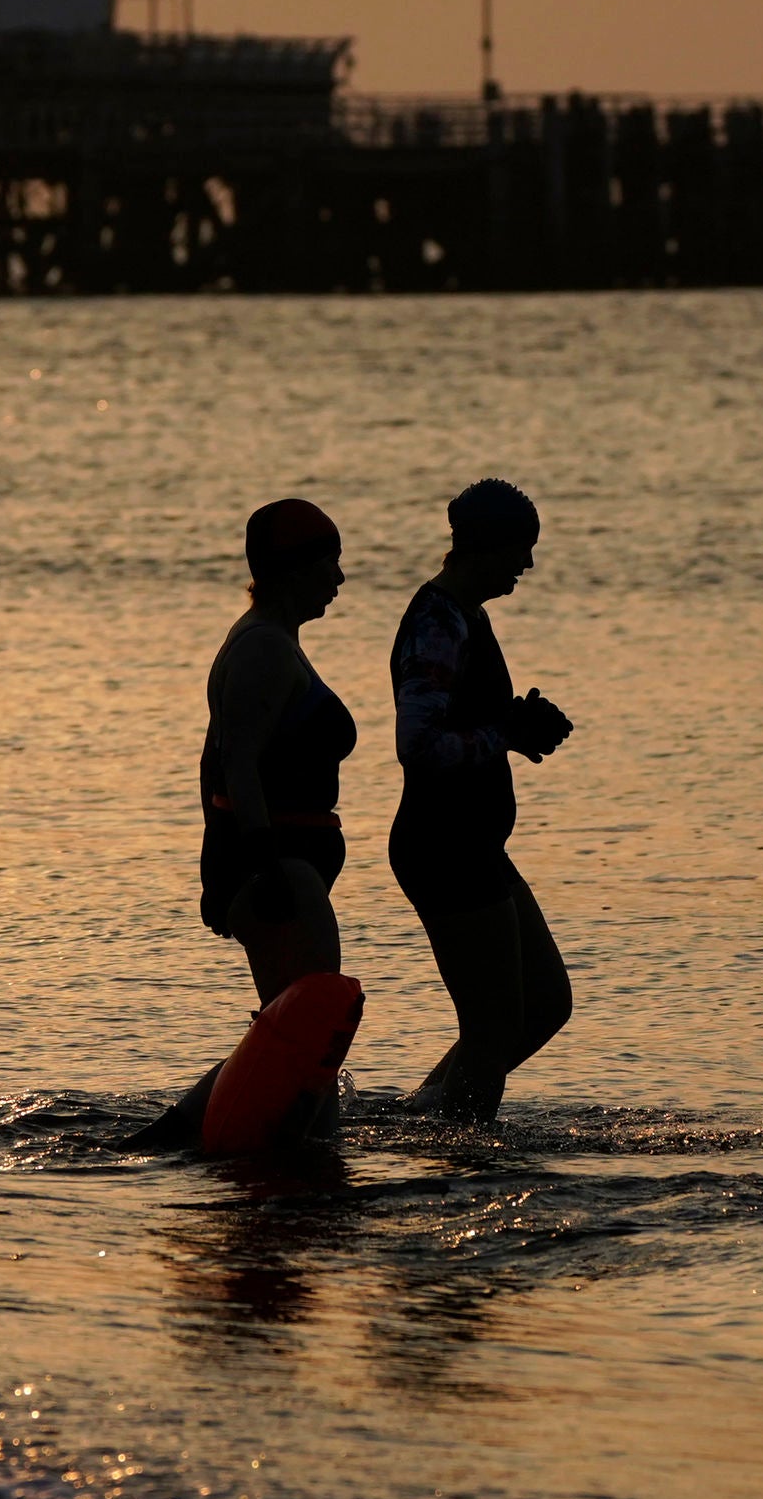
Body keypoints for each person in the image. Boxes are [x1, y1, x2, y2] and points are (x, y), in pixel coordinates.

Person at [387, 478, 575, 1121]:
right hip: (442, 846)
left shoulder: (470, 616)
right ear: (484, 546)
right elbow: (417, 743)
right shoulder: (438, 623)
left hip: (474, 843)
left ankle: (419, 1118)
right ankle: (463, 1159)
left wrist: (516, 725)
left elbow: (466, 722)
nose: (527, 563)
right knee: (493, 1028)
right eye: (520, 548)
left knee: (545, 1004)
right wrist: (505, 734)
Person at [197, 497, 357, 1005]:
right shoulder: (262, 647)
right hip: (281, 873)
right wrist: (261, 868)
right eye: (328, 562)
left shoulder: (275, 639)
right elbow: (235, 764)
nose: (339, 578)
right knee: (308, 1025)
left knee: (291, 1030)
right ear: (293, 569)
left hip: (288, 869)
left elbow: (210, 757)